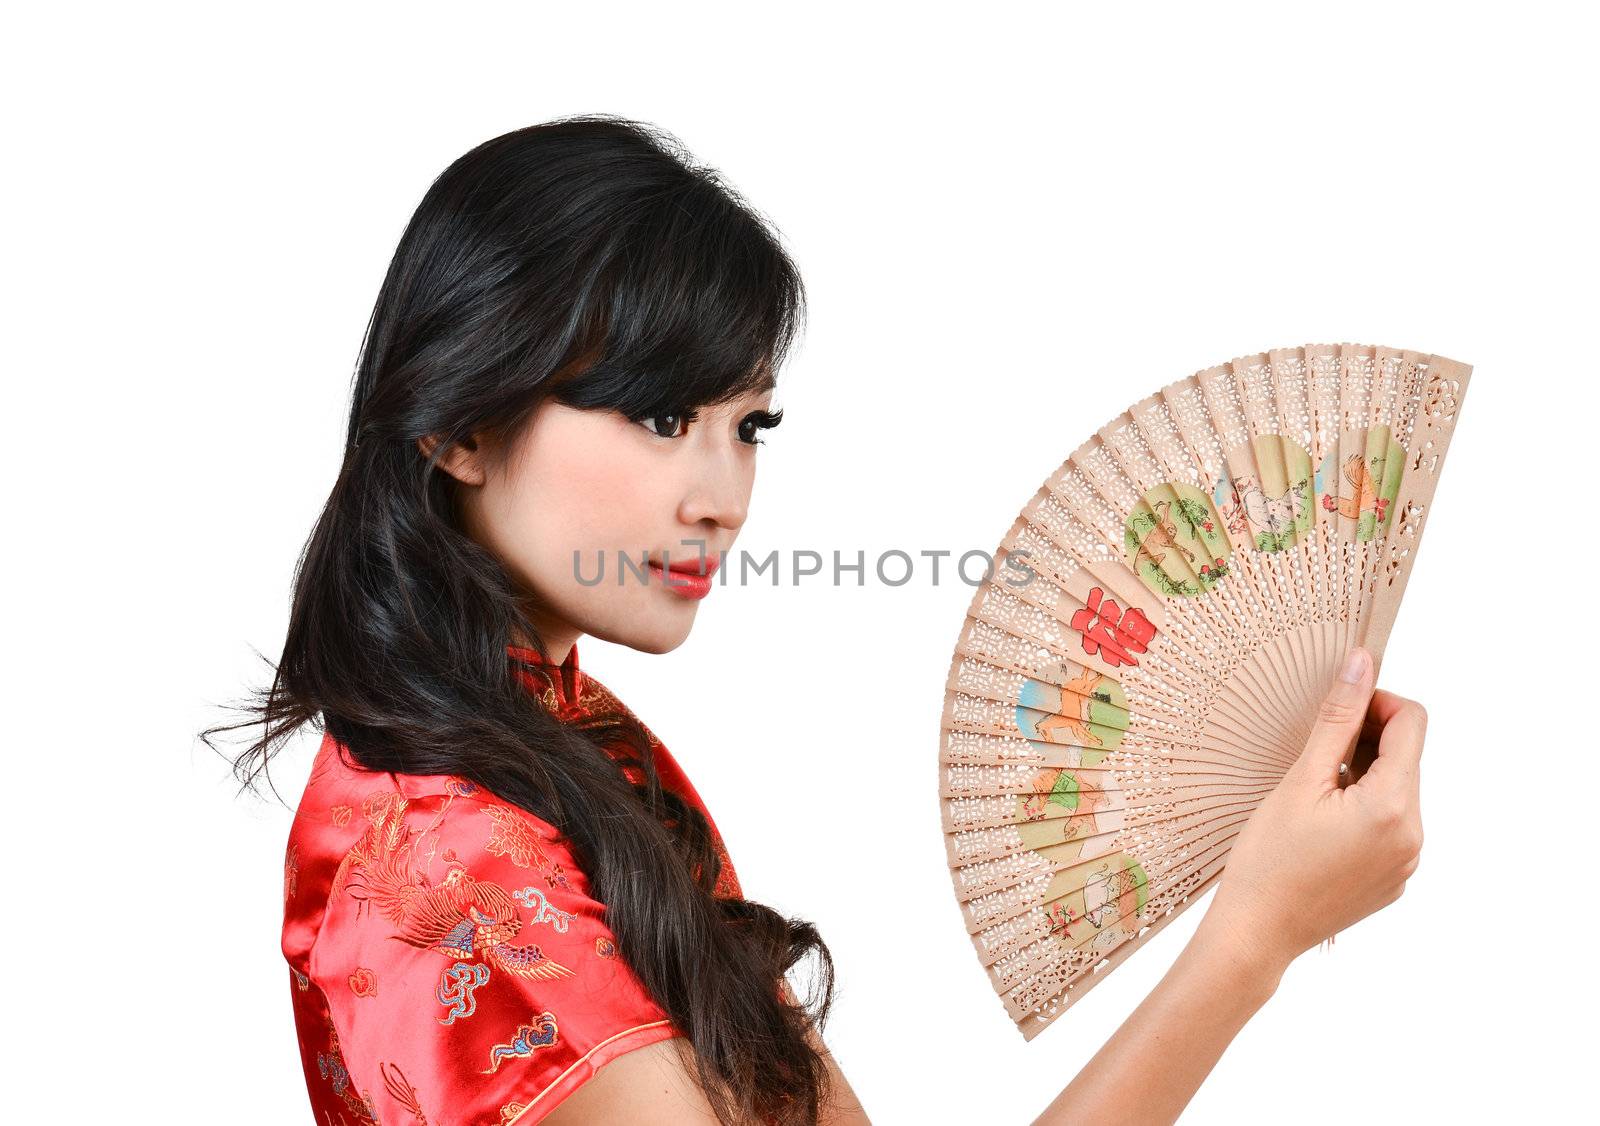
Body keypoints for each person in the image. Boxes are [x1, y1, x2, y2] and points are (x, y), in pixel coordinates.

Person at [205, 115, 1427, 1125]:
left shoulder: (574, 757)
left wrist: (1253, 916)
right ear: (457, 426)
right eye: (659, 416)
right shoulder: (446, 858)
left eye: (749, 426)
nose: (722, 497)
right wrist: (1249, 941)